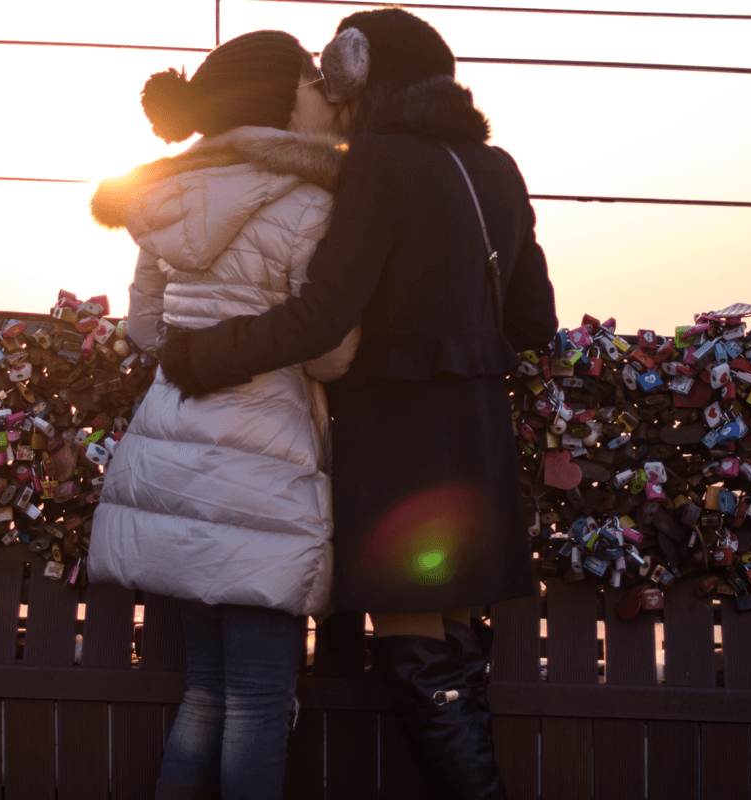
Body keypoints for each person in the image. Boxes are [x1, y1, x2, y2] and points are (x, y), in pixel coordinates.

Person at [158, 9, 558, 799]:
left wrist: (205, 354)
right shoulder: (498, 168)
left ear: (367, 82)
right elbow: (533, 322)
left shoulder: (379, 163)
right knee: (448, 657)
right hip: (475, 443)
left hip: (399, 446)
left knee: (420, 659)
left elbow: (320, 318)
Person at [85, 30, 358, 800]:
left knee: (205, 690)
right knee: (262, 698)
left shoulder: (161, 200)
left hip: (173, 455)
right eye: (309, 80)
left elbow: (144, 329)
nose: (323, 94)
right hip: (264, 463)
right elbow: (330, 351)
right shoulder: (313, 199)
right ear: (280, 95)